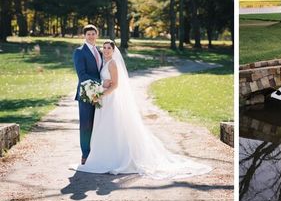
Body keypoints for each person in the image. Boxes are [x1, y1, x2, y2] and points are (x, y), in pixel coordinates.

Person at [74, 39, 212, 179]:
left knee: (112, 127)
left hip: (109, 100)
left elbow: (115, 85)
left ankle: (116, 157)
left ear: (114, 50)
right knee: (104, 128)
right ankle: (103, 156)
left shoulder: (113, 64)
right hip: (104, 101)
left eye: (109, 48)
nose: (106, 50)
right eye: (104, 48)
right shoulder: (104, 62)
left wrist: (100, 95)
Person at [73, 25, 102, 165]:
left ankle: (97, 153)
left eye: (93, 33)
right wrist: (101, 84)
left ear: (97, 35)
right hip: (86, 93)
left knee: (98, 124)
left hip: (101, 94)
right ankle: (85, 154)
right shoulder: (79, 52)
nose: (91, 36)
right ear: (84, 36)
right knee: (86, 124)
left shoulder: (100, 51)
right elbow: (82, 74)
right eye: (88, 34)